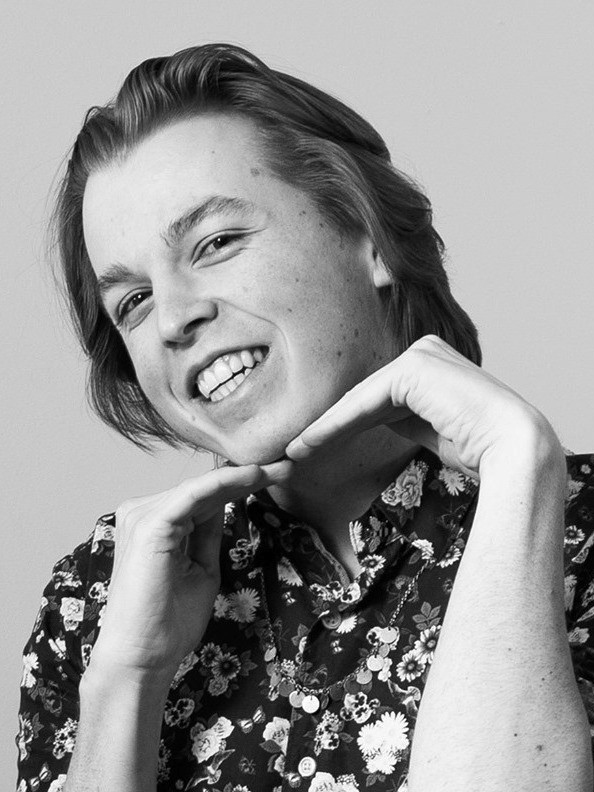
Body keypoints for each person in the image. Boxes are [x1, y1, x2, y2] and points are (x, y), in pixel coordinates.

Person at [15, 42, 594, 792]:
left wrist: (519, 467)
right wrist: (125, 678)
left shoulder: (577, 529)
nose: (172, 320)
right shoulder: (96, 601)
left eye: (216, 243)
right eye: (131, 303)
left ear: (368, 238)